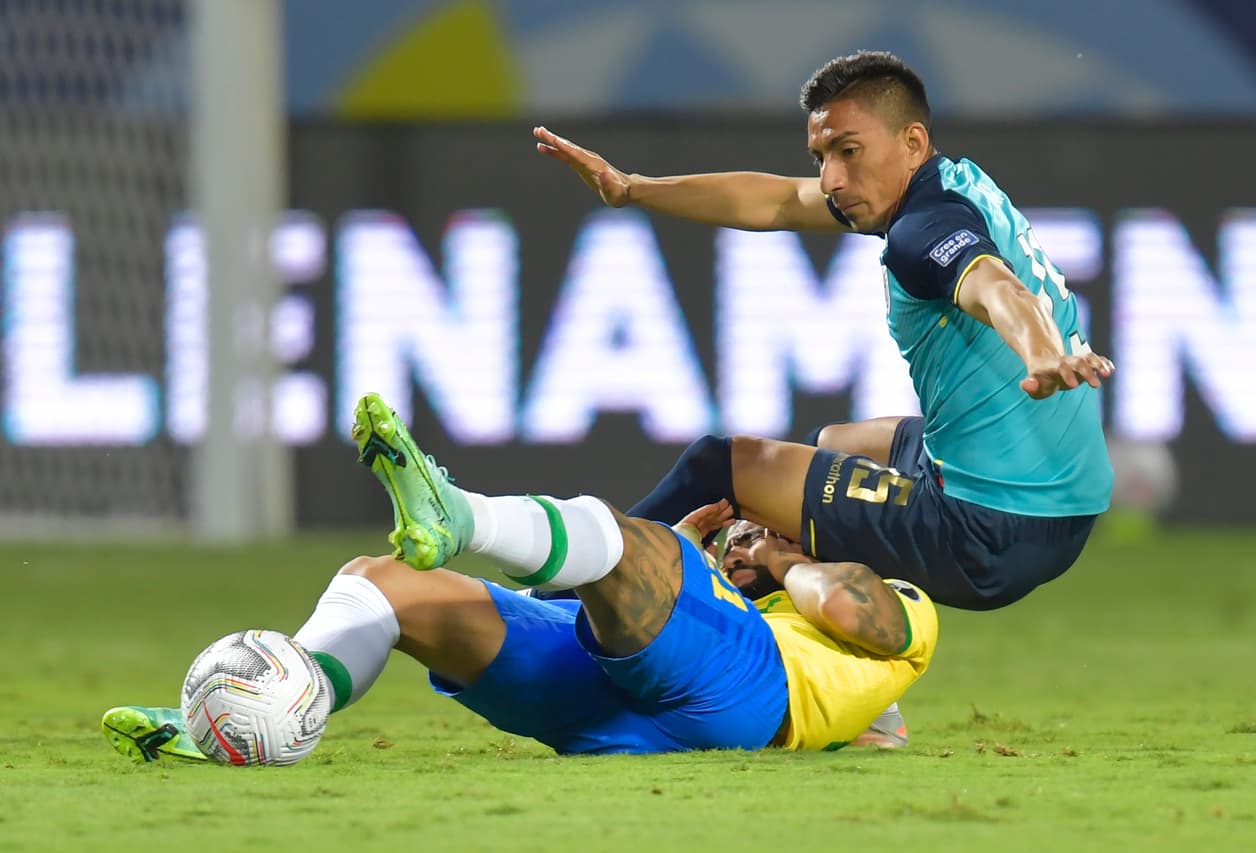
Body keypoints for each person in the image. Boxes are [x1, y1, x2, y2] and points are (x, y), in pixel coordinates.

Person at [533, 50, 1115, 612]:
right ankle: (799, 612)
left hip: (988, 528)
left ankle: (562, 606)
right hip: (1069, 502)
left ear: (911, 141)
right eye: (821, 156)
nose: (832, 178)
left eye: (848, 151)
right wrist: (631, 187)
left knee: (720, 467)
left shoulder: (920, 233)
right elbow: (782, 200)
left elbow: (995, 286)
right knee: (833, 444)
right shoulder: (953, 184)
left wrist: (1040, 353)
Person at [101, 392, 936, 761]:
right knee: (384, 582)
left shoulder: (902, 603)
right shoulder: (717, 594)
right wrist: (687, 565)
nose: (753, 531)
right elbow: (554, 607)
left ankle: (460, 513)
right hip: (616, 702)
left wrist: (777, 560)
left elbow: (855, 615)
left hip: (747, 700)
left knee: (626, 538)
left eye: (771, 524)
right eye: (750, 527)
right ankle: (244, 724)